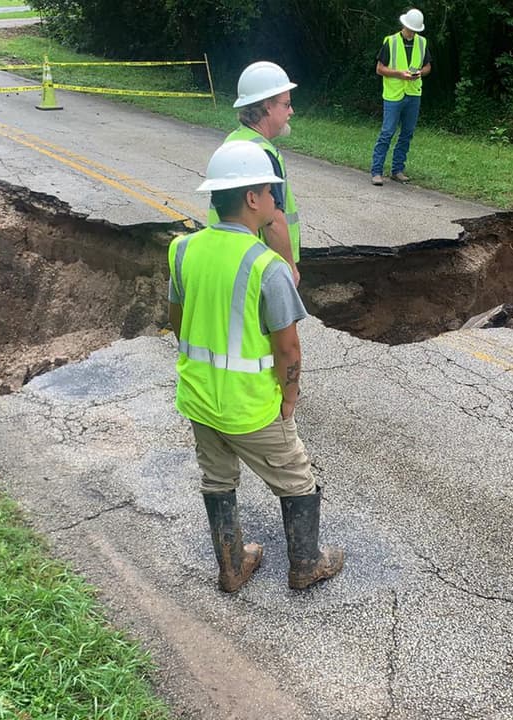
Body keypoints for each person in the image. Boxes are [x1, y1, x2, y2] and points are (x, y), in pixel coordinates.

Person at [171, 141, 344, 593]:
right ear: (251, 199)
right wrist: (289, 397)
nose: (274, 200)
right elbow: (288, 348)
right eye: (270, 192)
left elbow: (178, 319)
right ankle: (306, 564)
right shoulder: (268, 267)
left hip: (198, 397)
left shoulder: (183, 250)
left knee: (217, 478)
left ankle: (232, 568)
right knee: (297, 479)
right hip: (250, 407)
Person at [208, 61, 302, 286]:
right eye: (286, 104)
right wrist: (289, 268)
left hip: (226, 258)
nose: (291, 111)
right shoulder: (263, 155)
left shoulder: (234, 141)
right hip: (256, 265)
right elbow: (273, 222)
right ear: (268, 106)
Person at [370, 8, 432, 186]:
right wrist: (399, 74)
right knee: (387, 132)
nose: (412, 32)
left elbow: (428, 66)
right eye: (410, 28)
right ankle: (376, 171)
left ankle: (397, 170)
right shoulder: (390, 41)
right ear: (404, 24)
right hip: (393, 95)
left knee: (407, 133)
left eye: (415, 29)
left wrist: (420, 72)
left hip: (413, 93)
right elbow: (379, 69)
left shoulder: (422, 42)